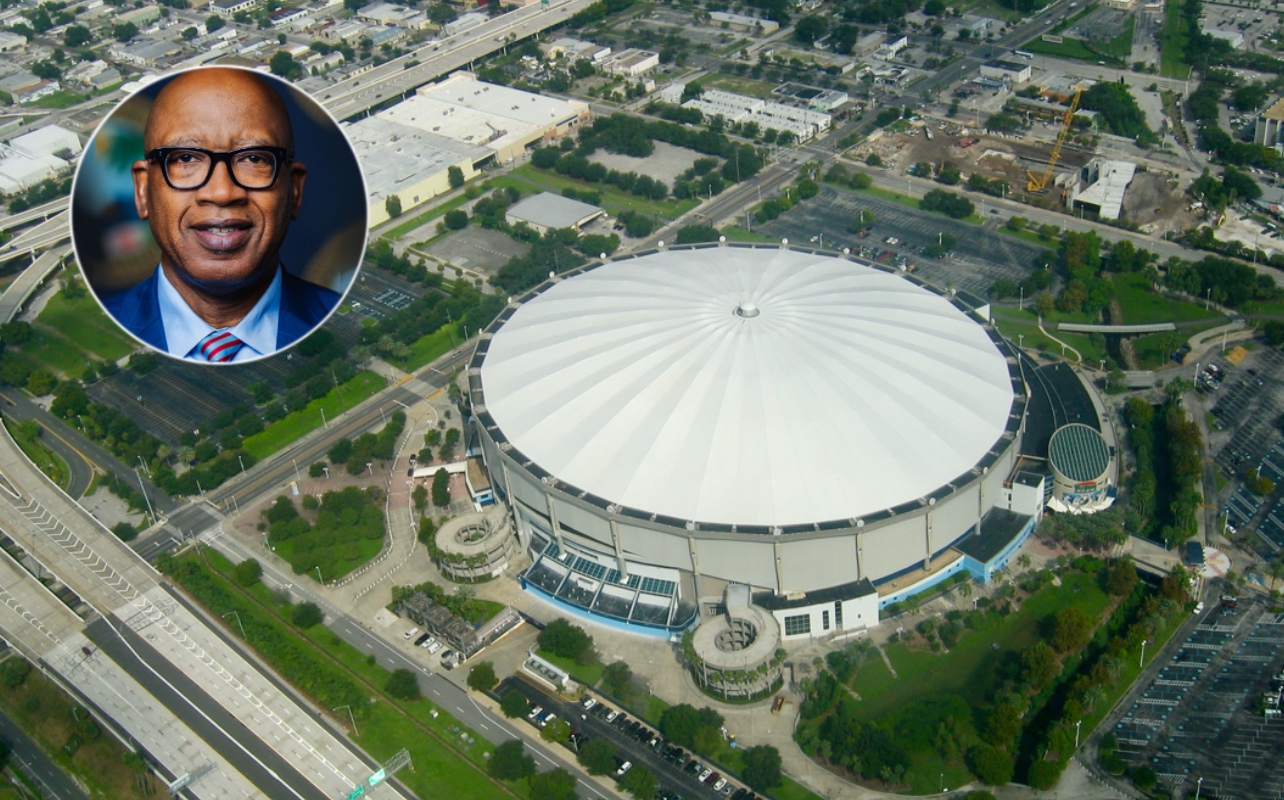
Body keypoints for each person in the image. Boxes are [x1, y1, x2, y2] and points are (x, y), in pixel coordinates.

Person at [104, 68, 339, 363]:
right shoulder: (103, 335)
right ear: (143, 191)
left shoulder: (339, 321)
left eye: (253, 158)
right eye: (186, 158)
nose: (221, 193)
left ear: (294, 191)